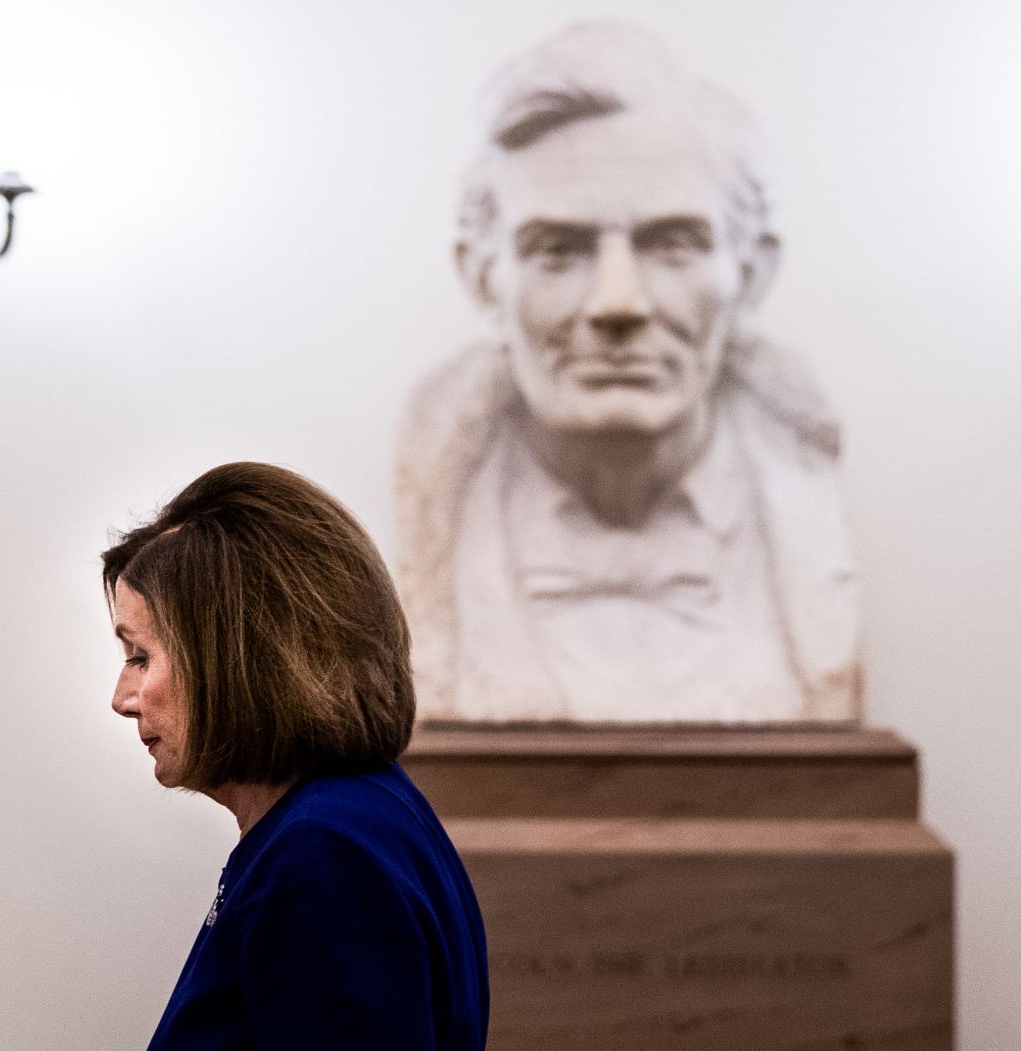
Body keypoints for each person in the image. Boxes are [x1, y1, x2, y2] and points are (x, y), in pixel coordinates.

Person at [396, 23, 860, 724]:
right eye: (558, 250)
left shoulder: (793, 504)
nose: (618, 304)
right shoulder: (446, 507)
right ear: (482, 276)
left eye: (672, 245)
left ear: (751, 271)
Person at [104, 461, 490, 1050]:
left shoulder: (320, 854)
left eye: (140, 657)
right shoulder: (357, 811)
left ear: (235, 658)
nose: (122, 699)